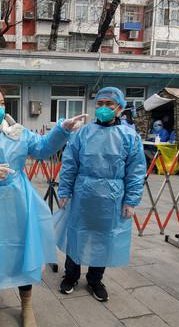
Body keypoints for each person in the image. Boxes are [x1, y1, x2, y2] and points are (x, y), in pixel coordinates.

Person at [0, 84, 86, 327]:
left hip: (17, 204)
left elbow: (42, 148)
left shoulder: (16, 133)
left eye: (2, 103)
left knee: (22, 252)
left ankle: (27, 305)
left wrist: (62, 130)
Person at [54, 87, 146, 302]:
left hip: (112, 197)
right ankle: (71, 275)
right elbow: (69, 164)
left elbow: (136, 171)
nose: (103, 108)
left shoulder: (130, 136)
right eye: (99, 104)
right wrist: (65, 190)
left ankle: (95, 279)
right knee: (77, 234)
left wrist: (131, 200)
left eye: (109, 104)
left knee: (104, 236)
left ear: (120, 108)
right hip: (83, 193)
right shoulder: (83, 133)